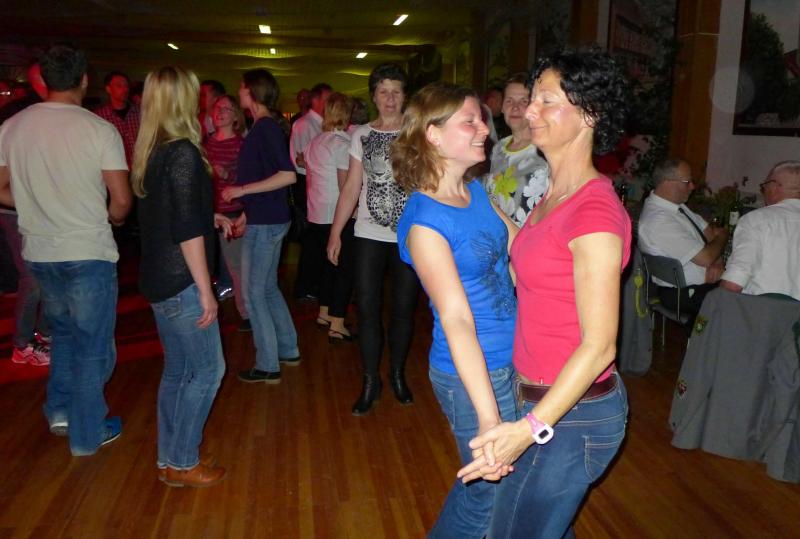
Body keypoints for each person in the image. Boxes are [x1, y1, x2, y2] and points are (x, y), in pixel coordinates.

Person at [457, 50, 633, 539]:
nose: (529, 110)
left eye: (546, 101)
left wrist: (528, 428)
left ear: (590, 113)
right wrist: (469, 197)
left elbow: (600, 346)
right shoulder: (556, 195)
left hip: (571, 416)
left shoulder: (594, 212)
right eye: (531, 99)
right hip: (541, 401)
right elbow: (530, 258)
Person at [394, 82, 519, 538]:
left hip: (516, 359)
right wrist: (489, 418)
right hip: (474, 376)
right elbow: (457, 319)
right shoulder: (426, 221)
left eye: (482, 119)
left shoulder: (475, 193)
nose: (484, 128)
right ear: (432, 134)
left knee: (511, 487)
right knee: (486, 494)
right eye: (470, 120)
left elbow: (521, 249)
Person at [0, 44, 131, 455]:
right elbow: (121, 200)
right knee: (92, 345)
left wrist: (38, 202)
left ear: (43, 80)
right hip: (87, 251)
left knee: (63, 336)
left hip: (40, 252)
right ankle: (87, 434)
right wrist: (114, 219)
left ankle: (59, 410)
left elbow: (1, 189)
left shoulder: (13, 127)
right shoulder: (99, 130)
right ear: (84, 80)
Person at [132, 66, 227, 487]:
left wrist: (210, 216)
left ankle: (169, 458)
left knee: (177, 371)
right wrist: (206, 290)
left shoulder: (151, 151)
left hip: (158, 279)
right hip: (181, 283)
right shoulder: (183, 152)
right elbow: (186, 230)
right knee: (208, 371)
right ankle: (183, 463)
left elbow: (171, 215)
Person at [327, 63, 419, 415]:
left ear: (404, 96)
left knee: (403, 309)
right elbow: (352, 186)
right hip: (367, 232)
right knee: (367, 309)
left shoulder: (418, 132)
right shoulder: (360, 135)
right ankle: (370, 380)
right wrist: (336, 232)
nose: (390, 98)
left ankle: (396, 373)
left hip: (409, 235)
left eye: (396, 91)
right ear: (374, 97)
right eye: (383, 92)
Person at [222, 69, 300, 383]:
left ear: (252, 91)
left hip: (268, 223)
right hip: (264, 218)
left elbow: (287, 175)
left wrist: (241, 192)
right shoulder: (261, 127)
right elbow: (268, 178)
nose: (239, 91)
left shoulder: (265, 127)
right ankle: (288, 349)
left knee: (254, 293)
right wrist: (246, 214)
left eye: (242, 87)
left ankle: (268, 364)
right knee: (265, 289)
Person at [638, 158, 728, 316]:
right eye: (687, 182)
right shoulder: (658, 220)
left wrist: (718, 262)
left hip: (705, 287)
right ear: (667, 183)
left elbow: (709, 233)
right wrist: (724, 235)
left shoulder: (676, 207)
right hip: (683, 294)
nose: (692, 186)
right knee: (743, 300)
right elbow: (706, 257)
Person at [304, 92, 356, 341]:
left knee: (327, 267)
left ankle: (324, 313)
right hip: (336, 215)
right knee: (344, 269)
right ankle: (337, 322)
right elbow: (345, 187)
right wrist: (355, 213)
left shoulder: (315, 142)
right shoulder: (342, 145)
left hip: (316, 213)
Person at [721, 160, 800, 300]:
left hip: (761, 309)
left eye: (764, 187)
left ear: (774, 187)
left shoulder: (757, 220)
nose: (763, 192)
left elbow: (734, 283)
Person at [204, 94, 250, 330]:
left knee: (237, 267)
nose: (220, 112)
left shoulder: (241, 145)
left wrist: (227, 175)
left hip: (232, 213)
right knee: (209, 265)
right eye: (217, 108)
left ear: (236, 117)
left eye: (226, 108)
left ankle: (247, 314)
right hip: (208, 214)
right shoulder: (205, 144)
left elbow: (250, 180)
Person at [483, 72, 549, 227]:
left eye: (524, 101)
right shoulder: (498, 148)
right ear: (502, 107)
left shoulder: (545, 150)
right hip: (496, 236)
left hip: (529, 237)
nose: (515, 107)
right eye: (509, 101)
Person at [291, 82, 333, 300]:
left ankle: (314, 285)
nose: (329, 105)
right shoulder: (304, 125)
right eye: (327, 100)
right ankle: (306, 287)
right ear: (315, 100)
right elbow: (300, 161)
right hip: (308, 186)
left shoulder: (320, 125)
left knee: (316, 241)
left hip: (316, 186)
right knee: (311, 241)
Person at [94, 71, 140, 168]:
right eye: (119, 86)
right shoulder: (100, 117)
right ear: (108, 89)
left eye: (126, 86)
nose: (125, 89)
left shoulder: (139, 113)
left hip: (140, 168)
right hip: (116, 169)